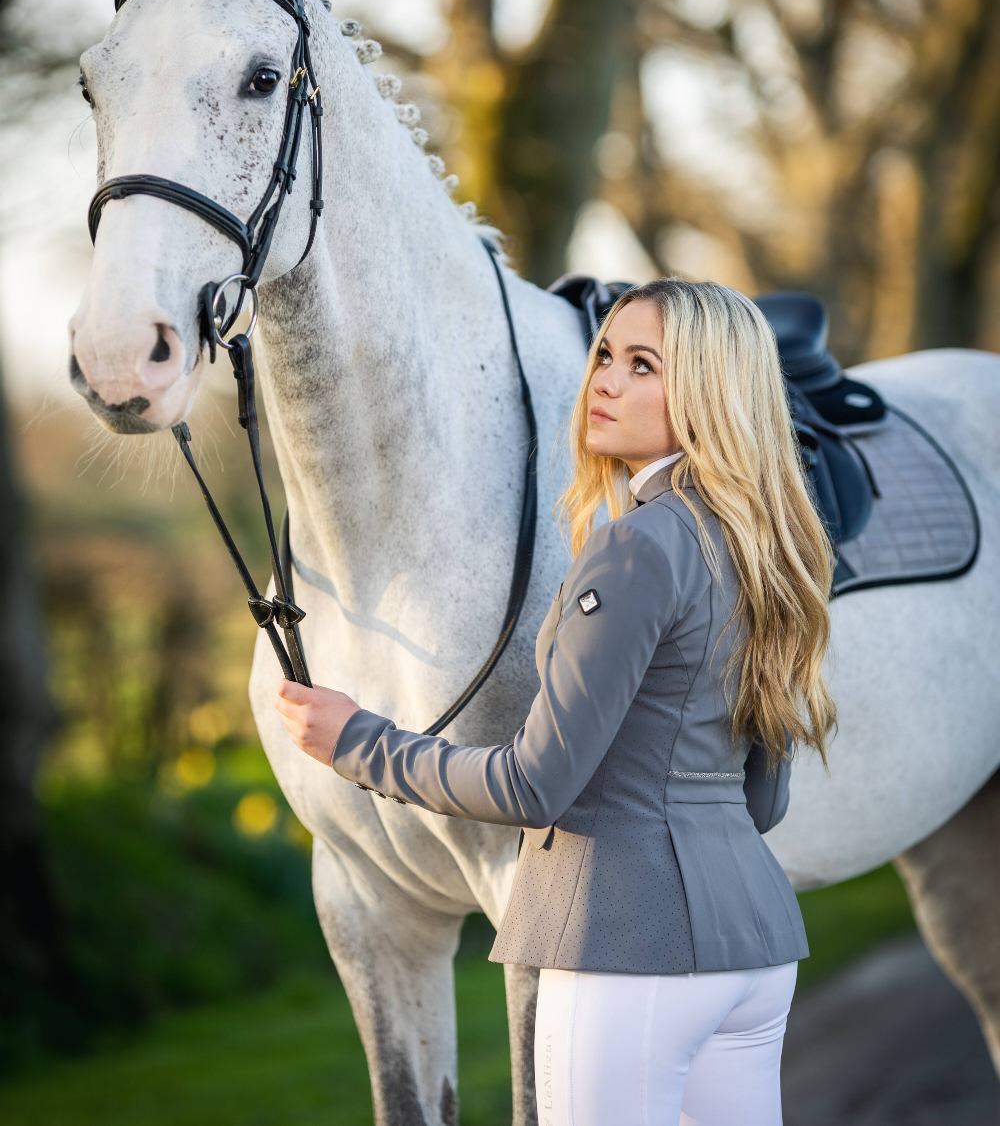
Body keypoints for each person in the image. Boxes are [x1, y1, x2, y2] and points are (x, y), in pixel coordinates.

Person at [275, 276, 838, 1125]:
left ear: (712, 388)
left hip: (625, 949)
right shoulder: (767, 547)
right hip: (755, 953)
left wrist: (357, 739)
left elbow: (535, 787)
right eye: (605, 354)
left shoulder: (635, 549)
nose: (603, 380)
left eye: (643, 364)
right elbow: (762, 797)